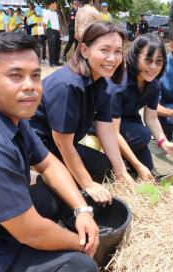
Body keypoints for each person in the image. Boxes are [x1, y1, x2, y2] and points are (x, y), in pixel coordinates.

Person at [0, 32, 99, 272]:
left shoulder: (12, 115)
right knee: (81, 268)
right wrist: (83, 242)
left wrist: (82, 210)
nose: (30, 85)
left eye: (35, 75)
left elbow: (49, 165)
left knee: (56, 193)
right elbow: (30, 233)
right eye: (15, 75)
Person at [29, 21, 134, 205]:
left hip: (61, 143)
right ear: (84, 50)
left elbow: (107, 130)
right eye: (104, 50)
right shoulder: (67, 85)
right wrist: (88, 184)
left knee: (103, 166)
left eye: (118, 51)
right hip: (37, 147)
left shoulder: (102, 82)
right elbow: (63, 144)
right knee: (58, 201)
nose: (112, 58)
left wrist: (122, 173)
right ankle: (40, 184)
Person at [110, 34, 173, 181]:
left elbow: (151, 118)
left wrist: (165, 144)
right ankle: (114, 159)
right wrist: (137, 165)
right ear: (135, 58)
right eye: (148, 60)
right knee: (142, 135)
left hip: (130, 125)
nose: (153, 67)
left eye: (159, 61)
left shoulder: (154, 84)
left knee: (148, 171)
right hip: (106, 127)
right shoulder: (119, 84)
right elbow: (112, 131)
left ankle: (127, 158)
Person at [42, 0, 63, 67]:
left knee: (58, 46)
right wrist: (47, 31)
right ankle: (52, 62)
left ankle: (56, 61)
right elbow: (44, 23)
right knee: (52, 47)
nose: (56, 5)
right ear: (51, 4)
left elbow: (57, 24)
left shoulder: (55, 13)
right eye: (55, 3)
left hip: (57, 31)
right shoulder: (47, 12)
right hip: (51, 31)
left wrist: (60, 32)